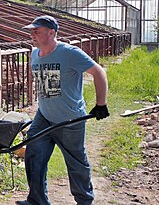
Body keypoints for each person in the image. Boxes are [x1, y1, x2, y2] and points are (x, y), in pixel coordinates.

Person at [17, 15, 110, 205]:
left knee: (76, 162)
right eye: (31, 31)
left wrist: (101, 104)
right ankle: (37, 200)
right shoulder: (35, 54)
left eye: (37, 31)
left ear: (52, 33)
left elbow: (99, 72)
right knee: (34, 154)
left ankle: (84, 201)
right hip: (43, 116)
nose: (32, 35)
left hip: (69, 119)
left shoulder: (70, 53)